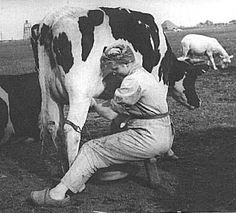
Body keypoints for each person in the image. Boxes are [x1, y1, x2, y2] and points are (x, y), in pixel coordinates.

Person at [30, 44, 175, 207]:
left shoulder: (132, 81)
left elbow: (111, 114)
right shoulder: (146, 75)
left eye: (115, 69)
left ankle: (57, 194)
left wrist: (92, 103)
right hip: (163, 132)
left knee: (92, 149)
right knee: (120, 128)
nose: (114, 73)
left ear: (126, 64)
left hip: (150, 137)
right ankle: (153, 177)